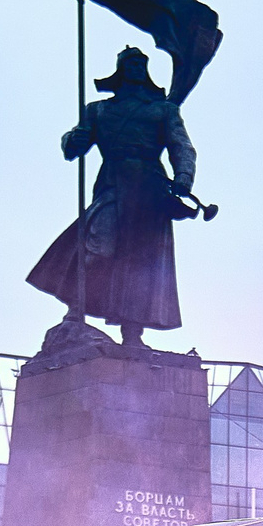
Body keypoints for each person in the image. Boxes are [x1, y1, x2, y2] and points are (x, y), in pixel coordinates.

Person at [25, 46, 197, 346]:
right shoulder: (98, 110)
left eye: (141, 64)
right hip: (112, 184)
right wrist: (73, 139)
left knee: (141, 262)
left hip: (149, 190)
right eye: (129, 64)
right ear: (119, 71)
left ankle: (132, 333)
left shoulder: (163, 110)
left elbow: (182, 147)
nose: (135, 68)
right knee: (96, 246)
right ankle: (75, 311)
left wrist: (183, 176)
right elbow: (72, 146)